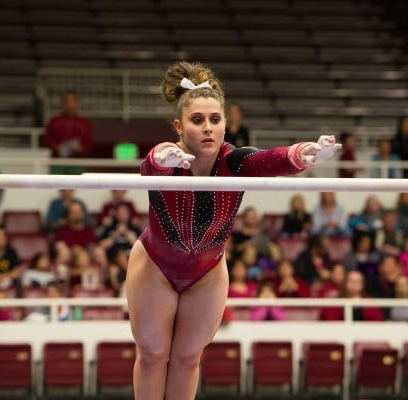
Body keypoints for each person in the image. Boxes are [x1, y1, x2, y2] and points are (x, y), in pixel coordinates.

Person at [125, 61, 341, 400]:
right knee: (153, 356)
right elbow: (152, 163)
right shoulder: (166, 160)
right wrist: (161, 159)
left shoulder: (236, 162)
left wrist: (305, 153)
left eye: (215, 120)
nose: (208, 128)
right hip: (156, 266)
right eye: (197, 121)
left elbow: (272, 160)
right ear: (179, 126)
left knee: (187, 358)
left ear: (225, 124)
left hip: (207, 272)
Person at [43, 91, 94, 175]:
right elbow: (47, 139)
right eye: (67, 102)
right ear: (63, 104)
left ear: (76, 103)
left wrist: (81, 148)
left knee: (74, 185)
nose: (69, 104)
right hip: (57, 161)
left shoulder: (84, 122)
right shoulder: (55, 120)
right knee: (56, 185)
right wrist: (56, 147)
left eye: (72, 101)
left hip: (76, 161)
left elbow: (89, 143)